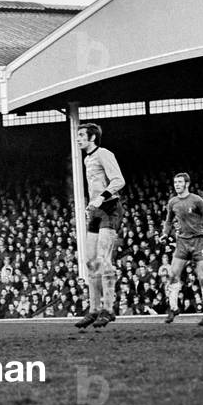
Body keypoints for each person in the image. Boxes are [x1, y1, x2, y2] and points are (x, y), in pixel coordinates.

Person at [73, 123, 125, 330]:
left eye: (81, 135)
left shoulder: (104, 153)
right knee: (90, 262)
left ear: (92, 138)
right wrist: (92, 204)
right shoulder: (87, 158)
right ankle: (94, 309)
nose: (78, 139)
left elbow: (118, 180)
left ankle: (109, 309)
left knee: (104, 259)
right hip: (96, 211)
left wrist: (100, 198)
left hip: (110, 208)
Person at [161, 172, 203, 326]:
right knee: (172, 275)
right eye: (175, 182)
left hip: (199, 241)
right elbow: (168, 221)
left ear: (187, 184)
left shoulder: (197, 200)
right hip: (182, 242)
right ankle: (173, 308)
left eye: (180, 182)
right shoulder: (172, 202)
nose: (177, 185)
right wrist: (165, 234)